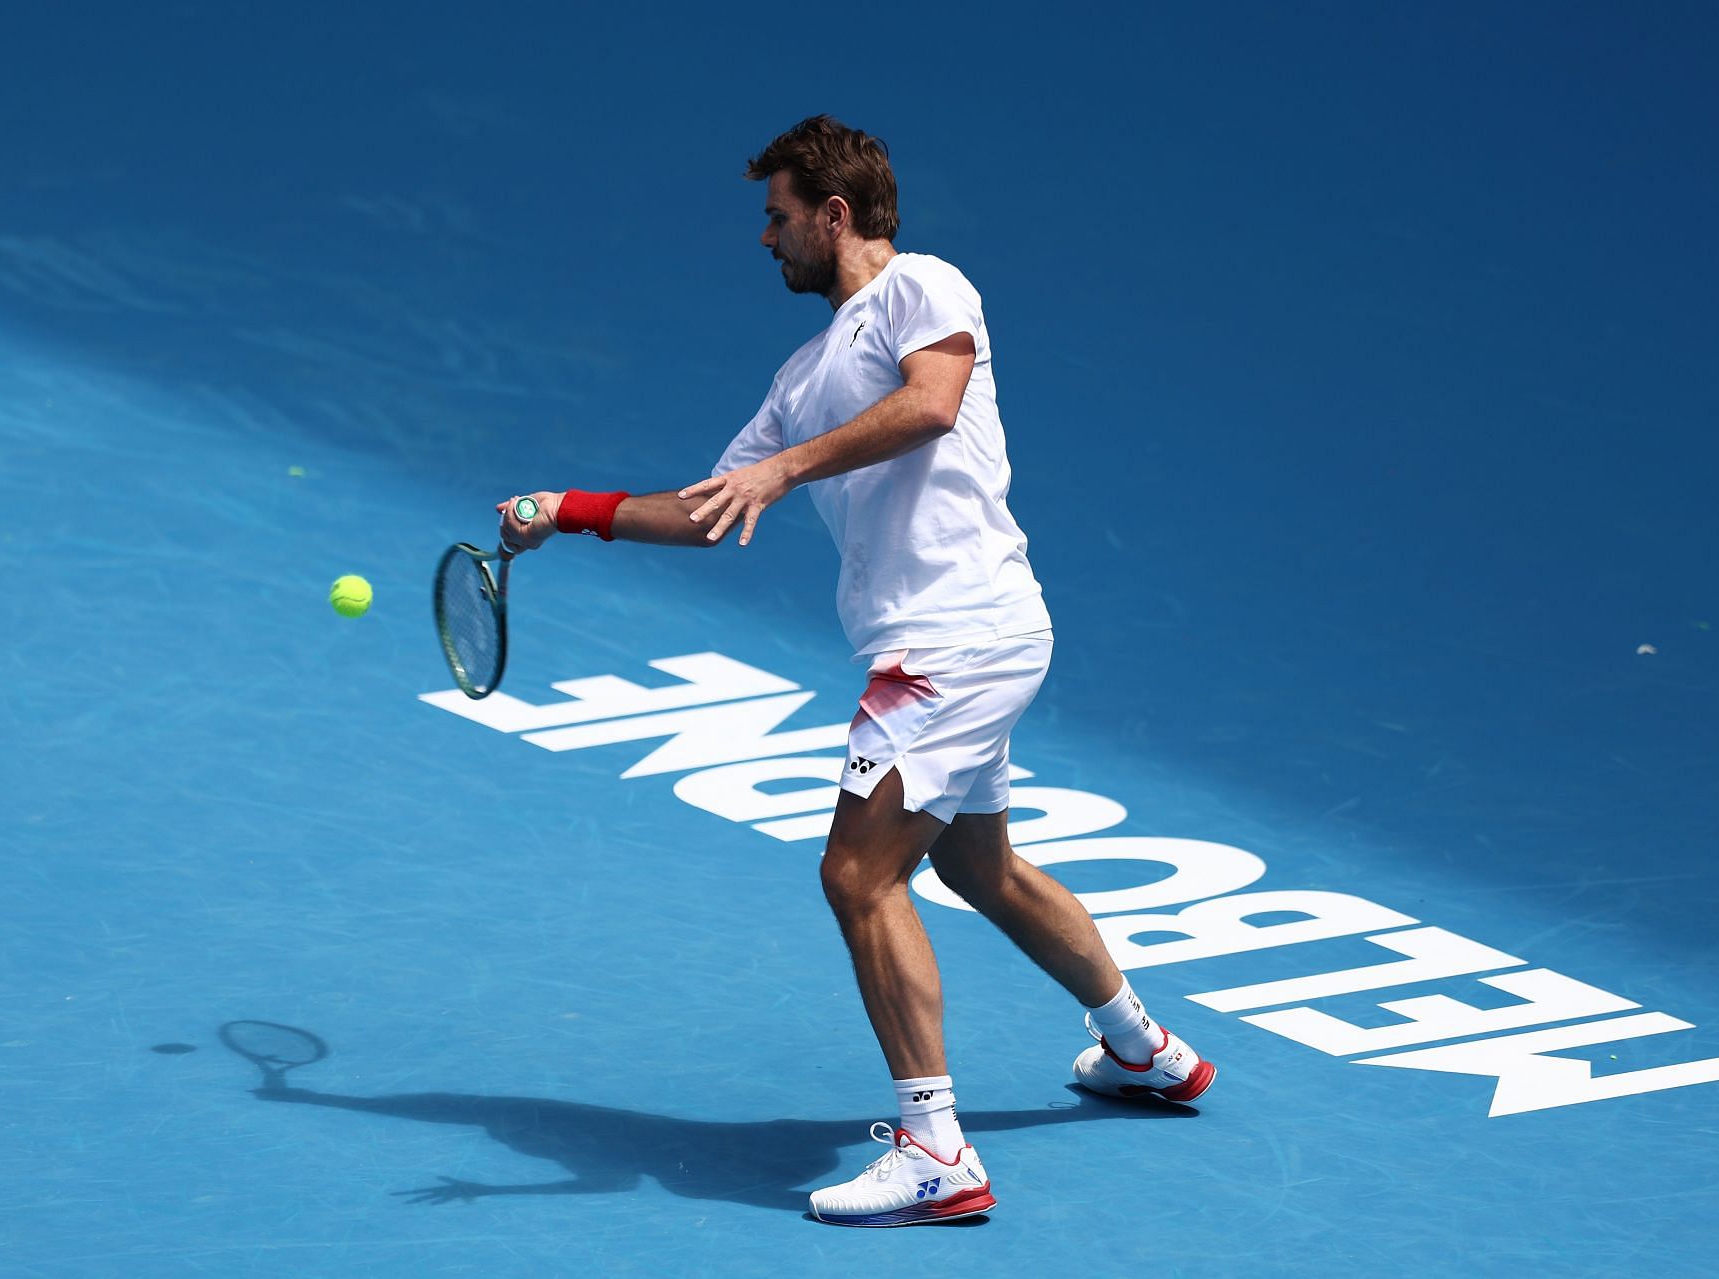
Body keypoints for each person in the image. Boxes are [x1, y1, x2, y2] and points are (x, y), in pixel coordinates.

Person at [497, 114, 1217, 1227]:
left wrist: (786, 469)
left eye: (777, 216)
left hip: (953, 641)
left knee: (857, 874)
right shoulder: (801, 375)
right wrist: (572, 510)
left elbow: (930, 405)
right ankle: (1146, 1049)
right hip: (960, 639)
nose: (765, 238)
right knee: (984, 870)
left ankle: (935, 1149)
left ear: (834, 215)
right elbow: (705, 509)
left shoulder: (924, 288)